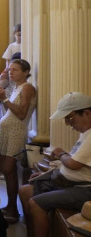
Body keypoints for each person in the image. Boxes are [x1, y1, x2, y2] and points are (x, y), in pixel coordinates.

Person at [19, 92, 91, 237]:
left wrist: (61, 154)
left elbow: (73, 163)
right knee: (25, 191)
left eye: (70, 118)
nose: (68, 124)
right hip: (68, 182)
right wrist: (46, 173)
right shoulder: (86, 132)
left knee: (36, 203)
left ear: (87, 113)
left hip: (84, 189)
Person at [0, 58, 36, 222]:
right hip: (6, 131)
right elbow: (9, 110)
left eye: (15, 69)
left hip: (16, 132)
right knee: (3, 169)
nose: (11, 72)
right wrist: (0, 97)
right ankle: (9, 206)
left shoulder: (27, 88)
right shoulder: (15, 87)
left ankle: (14, 210)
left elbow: (21, 114)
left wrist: (5, 99)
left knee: (9, 169)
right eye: (10, 69)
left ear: (25, 72)